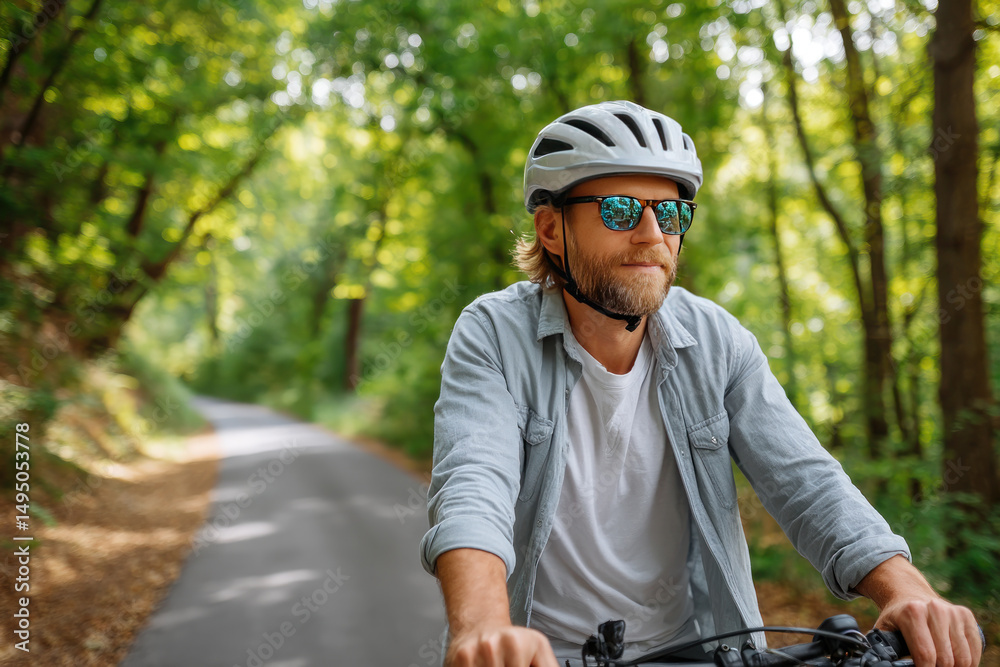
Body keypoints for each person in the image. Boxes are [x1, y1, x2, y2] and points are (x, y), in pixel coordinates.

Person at [418, 100, 981, 667]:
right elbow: (473, 486)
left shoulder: (716, 341)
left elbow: (806, 480)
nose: (651, 235)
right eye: (619, 210)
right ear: (551, 228)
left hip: (700, 651)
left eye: (669, 214)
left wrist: (906, 587)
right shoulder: (494, 335)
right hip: (538, 655)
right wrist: (485, 627)